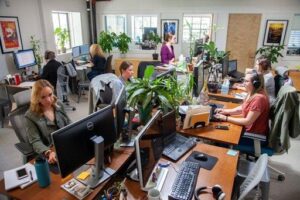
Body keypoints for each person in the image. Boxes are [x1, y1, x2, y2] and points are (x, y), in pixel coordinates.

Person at [25, 79, 71, 164]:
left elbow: (69, 123)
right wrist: (48, 152)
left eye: (50, 95)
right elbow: (35, 141)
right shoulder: (30, 116)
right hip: (50, 152)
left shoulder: (59, 105)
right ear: (36, 98)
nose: (49, 100)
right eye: (43, 97)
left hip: (65, 145)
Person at [215, 71, 270, 137]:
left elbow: (247, 121)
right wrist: (226, 111)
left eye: (246, 81)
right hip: (246, 129)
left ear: (256, 84)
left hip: (253, 135)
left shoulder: (259, 98)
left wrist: (226, 118)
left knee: (220, 135)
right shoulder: (252, 92)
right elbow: (243, 107)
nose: (243, 83)